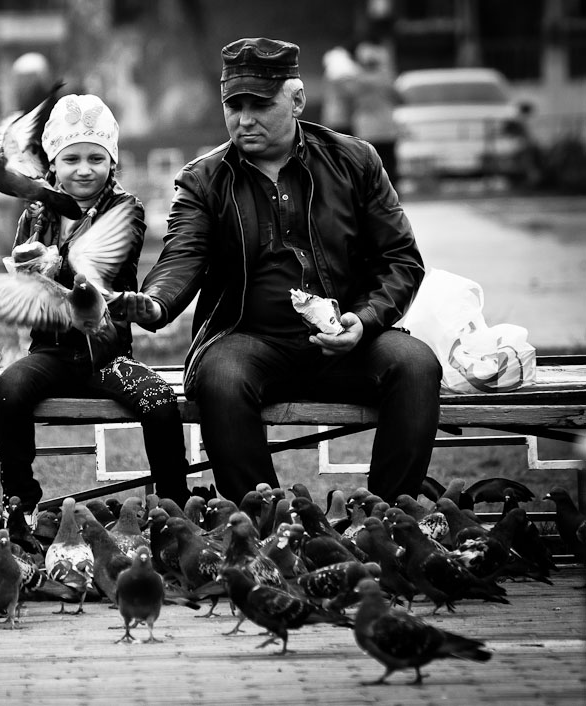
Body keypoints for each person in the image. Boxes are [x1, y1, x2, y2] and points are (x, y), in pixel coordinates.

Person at [122, 38, 441, 506]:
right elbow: (180, 259)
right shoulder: (203, 180)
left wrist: (365, 320)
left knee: (415, 363)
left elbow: (401, 260)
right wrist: (153, 303)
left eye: (260, 105)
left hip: (350, 342)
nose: (244, 119)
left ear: (296, 100)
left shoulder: (355, 161)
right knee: (222, 375)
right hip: (250, 341)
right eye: (235, 105)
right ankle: (263, 527)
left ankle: (387, 520)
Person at [0, 93, 192, 517]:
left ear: (112, 163)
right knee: (9, 390)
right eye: (72, 158)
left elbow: (107, 267)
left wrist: (55, 264)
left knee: (158, 400)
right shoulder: (36, 212)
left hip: (108, 354)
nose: (84, 169)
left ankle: (175, 504)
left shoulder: (127, 211)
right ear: (53, 165)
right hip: (52, 352)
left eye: (96, 158)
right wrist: (27, 275)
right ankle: (20, 501)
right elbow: (25, 286)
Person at [347, 40, 400, 184]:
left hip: (366, 128)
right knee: (389, 164)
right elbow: (398, 97)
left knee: (369, 166)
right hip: (386, 127)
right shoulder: (386, 78)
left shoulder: (356, 80)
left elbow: (350, 101)